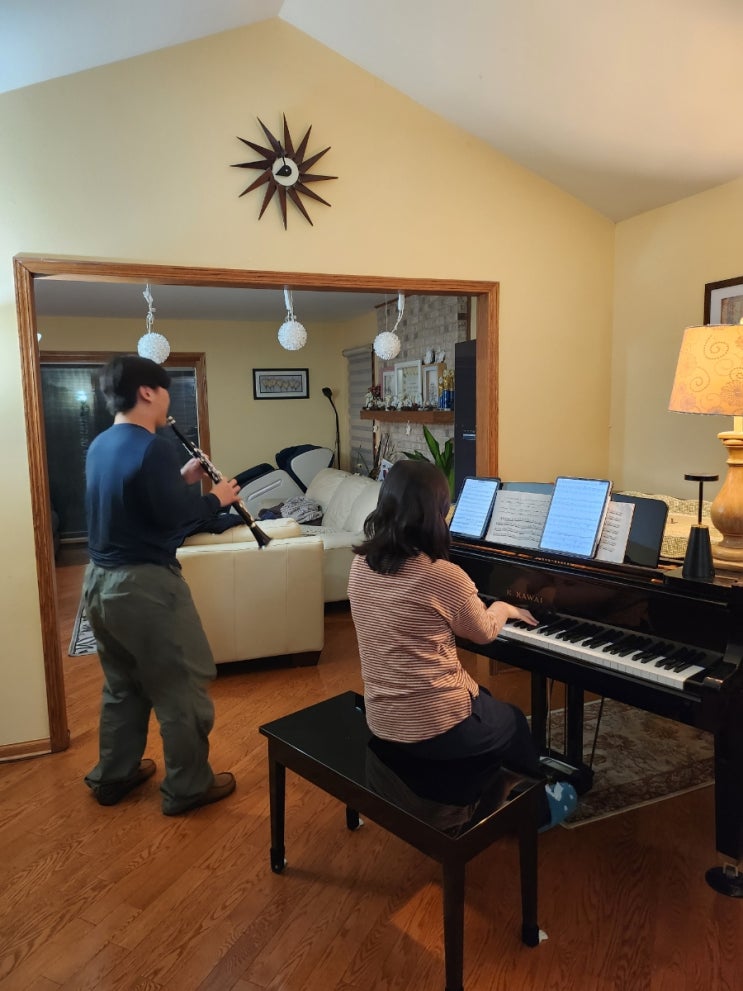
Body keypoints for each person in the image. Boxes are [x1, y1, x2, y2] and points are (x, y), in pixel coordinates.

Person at [347, 459, 578, 831]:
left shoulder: (362, 563)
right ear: (435, 513)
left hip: (383, 716)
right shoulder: (441, 575)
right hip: (430, 727)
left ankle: (491, 790)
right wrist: (504, 607)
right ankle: (533, 814)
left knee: (483, 700)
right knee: (513, 721)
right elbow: (484, 631)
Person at [82, 354, 240, 815]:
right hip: (145, 587)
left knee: (122, 685)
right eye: (165, 390)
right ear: (147, 392)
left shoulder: (101, 444)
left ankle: (113, 775)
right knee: (181, 686)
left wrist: (180, 481)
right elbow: (172, 521)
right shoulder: (153, 446)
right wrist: (215, 499)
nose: (169, 400)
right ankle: (188, 787)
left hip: (100, 582)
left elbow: (139, 506)